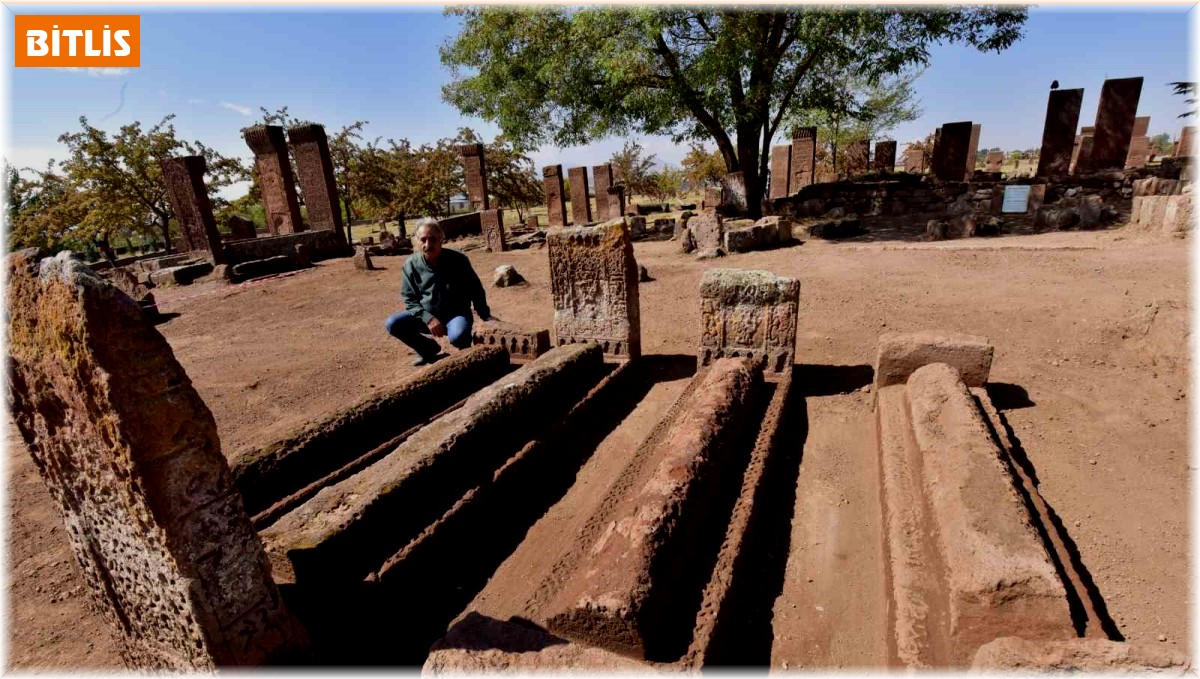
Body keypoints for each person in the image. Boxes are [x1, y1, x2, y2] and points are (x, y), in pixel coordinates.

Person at [385, 218, 493, 366]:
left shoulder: (458, 260)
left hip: (456, 314)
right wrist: (428, 318)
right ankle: (428, 349)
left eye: (433, 239)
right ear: (417, 241)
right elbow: (409, 298)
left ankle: (467, 355)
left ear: (442, 239)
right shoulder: (411, 265)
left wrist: (485, 315)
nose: (428, 244)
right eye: (423, 239)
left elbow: (475, 289)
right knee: (393, 323)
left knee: (458, 336)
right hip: (426, 317)